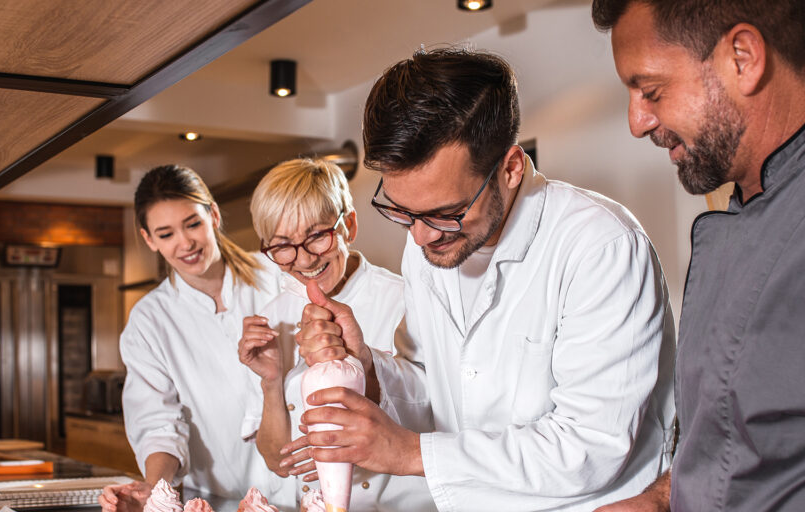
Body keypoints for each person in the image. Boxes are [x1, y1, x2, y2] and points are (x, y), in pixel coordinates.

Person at [281, 48, 677, 511]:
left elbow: (589, 449)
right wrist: (368, 366)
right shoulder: (425, 244)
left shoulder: (600, 247)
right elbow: (434, 389)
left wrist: (409, 452)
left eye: (446, 213)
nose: (422, 234)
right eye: (401, 210)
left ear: (510, 168)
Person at [591, 1, 805, 510]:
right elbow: (741, 435)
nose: (637, 122)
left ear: (743, 58)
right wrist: (664, 497)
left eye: (651, 91)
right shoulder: (741, 211)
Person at [237, 158, 436, 511]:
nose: (303, 259)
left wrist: (342, 453)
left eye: (316, 236)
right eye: (283, 246)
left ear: (349, 226)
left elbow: (436, 420)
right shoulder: (274, 317)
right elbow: (276, 461)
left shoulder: (404, 301)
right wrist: (271, 381)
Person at [99, 165, 280, 512]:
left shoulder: (274, 276)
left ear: (213, 215)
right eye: (165, 234)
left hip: (310, 493)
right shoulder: (149, 321)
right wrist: (155, 491)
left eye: (192, 224)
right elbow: (157, 423)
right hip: (219, 502)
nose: (185, 243)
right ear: (149, 239)